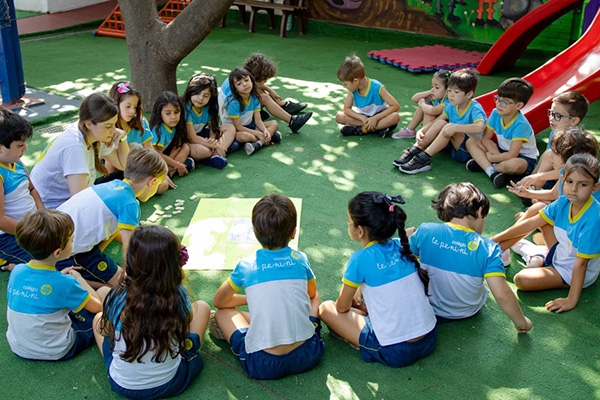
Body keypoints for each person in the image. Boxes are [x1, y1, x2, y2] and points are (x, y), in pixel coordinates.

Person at [211, 194, 324, 379]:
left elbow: (219, 301)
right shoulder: (300, 259)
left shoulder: (246, 265)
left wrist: (249, 298)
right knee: (316, 296)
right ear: (293, 232)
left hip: (264, 363)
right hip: (308, 354)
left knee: (222, 313)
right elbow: (311, 294)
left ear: (255, 232)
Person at [319, 192, 437, 368]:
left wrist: (354, 303)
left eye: (348, 221)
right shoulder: (402, 245)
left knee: (325, 309)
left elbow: (341, 307)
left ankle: (360, 340)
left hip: (396, 351)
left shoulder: (359, 259)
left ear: (360, 231)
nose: (347, 224)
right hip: (429, 337)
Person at [94, 225, 210, 399]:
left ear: (131, 260)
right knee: (203, 307)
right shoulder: (178, 295)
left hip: (121, 383)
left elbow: (108, 332)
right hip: (170, 383)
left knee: (98, 318)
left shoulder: (117, 295)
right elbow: (184, 330)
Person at [407, 183, 532, 331]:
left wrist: (409, 238)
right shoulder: (488, 248)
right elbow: (502, 294)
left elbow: (405, 264)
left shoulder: (425, 231)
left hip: (427, 304)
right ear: (479, 211)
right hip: (465, 310)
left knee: (415, 256)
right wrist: (521, 322)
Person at [491, 154, 600, 313]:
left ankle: (537, 255)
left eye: (583, 184)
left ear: (595, 187)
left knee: (522, 280)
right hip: (560, 252)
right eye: (569, 182)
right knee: (538, 211)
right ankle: (493, 250)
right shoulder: (564, 201)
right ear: (562, 179)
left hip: (570, 271)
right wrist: (493, 240)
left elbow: (581, 263)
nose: (574, 189)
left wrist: (571, 299)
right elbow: (532, 223)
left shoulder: (593, 218)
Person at [55, 147, 168, 288]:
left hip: (58, 241)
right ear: (152, 182)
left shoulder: (112, 185)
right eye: (157, 185)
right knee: (127, 286)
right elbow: (129, 249)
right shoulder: (129, 203)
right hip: (68, 253)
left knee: (112, 276)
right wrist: (131, 276)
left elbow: (113, 231)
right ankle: (60, 278)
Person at [6, 209, 108, 361]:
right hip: (58, 349)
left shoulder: (17, 270)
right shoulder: (65, 283)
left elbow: (39, 296)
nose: (73, 242)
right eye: (71, 240)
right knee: (104, 295)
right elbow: (97, 307)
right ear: (58, 253)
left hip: (18, 346)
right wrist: (78, 278)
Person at [506, 127, 599, 251]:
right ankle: (506, 244)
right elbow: (553, 194)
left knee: (538, 210)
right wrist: (528, 193)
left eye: (555, 153)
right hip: (567, 227)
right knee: (537, 208)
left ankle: (508, 244)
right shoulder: (569, 172)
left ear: (569, 158)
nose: (550, 156)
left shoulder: (583, 183)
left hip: (577, 237)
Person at [30, 93, 129, 209]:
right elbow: (79, 201)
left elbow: (125, 166)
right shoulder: (74, 146)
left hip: (63, 205)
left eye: (114, 125)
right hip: (49, 211)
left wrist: (123, 138)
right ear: (89, 124)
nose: (114, 130)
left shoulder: (93, 133)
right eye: (108, 126)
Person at [396, 69, 486, 174]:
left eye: (456, 92)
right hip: (452, 146)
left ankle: (423, 159)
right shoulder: (452, 106)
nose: (451, 95)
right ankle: (416, 149)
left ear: (469, 94)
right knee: (441, 123)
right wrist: (422, 131)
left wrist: (455, 127)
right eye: (449, 91)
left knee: (447, 125)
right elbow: (438, 121)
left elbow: (480, 127)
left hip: (468, 151)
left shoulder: (475, 107)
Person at [465, 78, 538, 188]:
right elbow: (486, 138)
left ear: (518, 106)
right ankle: (493, 172)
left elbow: (513, 154)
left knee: (515, 165)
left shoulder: (521, 124)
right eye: (498, 99)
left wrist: (492, 158)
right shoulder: (496, 113)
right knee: (471, 141)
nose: (499, 104)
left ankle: (485, 165)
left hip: (522, 158)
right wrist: (495, 156)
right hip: (502, 151)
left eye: (505, 102)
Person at [107, 81, 173, 194]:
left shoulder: (140, 123)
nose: (132, 111)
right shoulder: (109, 127)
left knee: (162, 186)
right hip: (119, 170)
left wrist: (161, 174)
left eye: (135, 107)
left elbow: (150, 150)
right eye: (128, 106)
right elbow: (110, 160)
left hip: (140, 169)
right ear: (115, 105)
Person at [518, 91, 589, 191]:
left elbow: (568, 171)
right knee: (548, 154)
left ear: (573, 121)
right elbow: (546, 157)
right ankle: (532, 185)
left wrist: (537, 177)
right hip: (553, 176)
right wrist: (531, 176)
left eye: (558, 116)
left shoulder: (575, 141)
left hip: (567, 182)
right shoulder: (555, 132)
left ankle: (534, 187)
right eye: (551, 113)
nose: (551, 118)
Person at [0, 109, 43, 272]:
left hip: (30, 226)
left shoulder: (17, 163)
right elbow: (1, 220)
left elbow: (32, 189)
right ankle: (8, 263)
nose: (25, 149)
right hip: (8, 236)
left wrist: (42, 213)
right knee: (44, 263)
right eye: (20, 145)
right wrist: (30, 233)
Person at [242, 52, 313, 130]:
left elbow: (257, 85)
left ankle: (283, 105)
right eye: (264, 78)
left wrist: (270, 90)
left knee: (262, 94)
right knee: (264, 97)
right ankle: (292, 120)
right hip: (238, 118)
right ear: (256, 76)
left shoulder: (243, 77)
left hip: (243, 110)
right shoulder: (243, 83)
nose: (265, 81)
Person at [335, 55, 400, 137]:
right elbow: (346, 109)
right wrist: (362, 118)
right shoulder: (352, 90)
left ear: (356, 81)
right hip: (363, 118)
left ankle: (360, 130)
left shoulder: (377, 87)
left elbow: (395, 106)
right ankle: (377, 128)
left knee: (395, 117)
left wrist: (375, 118)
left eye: (345, 84)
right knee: (339, 117)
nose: (344, 86)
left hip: (380, 117)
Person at [182, 73, 237, 169]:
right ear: (190, 91)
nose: (201, 98)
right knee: (203, 151)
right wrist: (215, 145)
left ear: (211, 97)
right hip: (187, 141)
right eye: (197, 93)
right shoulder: (186, 108)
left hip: (202, 136)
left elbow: (213, 128)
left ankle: (216, 153)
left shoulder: (209, 107)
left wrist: (213, 140)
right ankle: (213, 154)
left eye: (206, 95)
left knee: (230, 128)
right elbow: (192, 138)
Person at [223, 68, 282, 156]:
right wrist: (258, 133)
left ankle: (258, 144)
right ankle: (269, 137)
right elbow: (238, 127)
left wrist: (265, 130)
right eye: (239, 84)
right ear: (235, 89)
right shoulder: (233, 103)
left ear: (252, 80)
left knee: (274, 123)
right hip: (235, 130)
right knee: (244, 136)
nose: (245, 84)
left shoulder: (255, 97)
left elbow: (258, 121)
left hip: (250, 125)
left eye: (246, 80)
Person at [392, 69, 451, 139]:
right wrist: (430, 92)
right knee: (424, 107)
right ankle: (410, 130)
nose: (433, 89)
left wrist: (422, 104)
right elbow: (414, 98)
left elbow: (432, 111)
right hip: (430, 127)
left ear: (448, 90)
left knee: (427, 109)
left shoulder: (448, 102)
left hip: (440, 132)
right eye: (432, 86)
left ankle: (424, 136)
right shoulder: (436, 98)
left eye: (437, 87)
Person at [150, 91, 195, 177]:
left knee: (185, 147)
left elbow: (177, 146)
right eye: (168, 113)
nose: (173, 117)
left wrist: (172, 162)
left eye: (176, 112)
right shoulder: (158, 129)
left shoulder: (177, 125)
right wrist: (176, 164)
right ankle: (175, 170)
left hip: (165, 157)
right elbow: (157, 154)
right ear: (159, 113)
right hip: (153, 160)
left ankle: (170, 173)